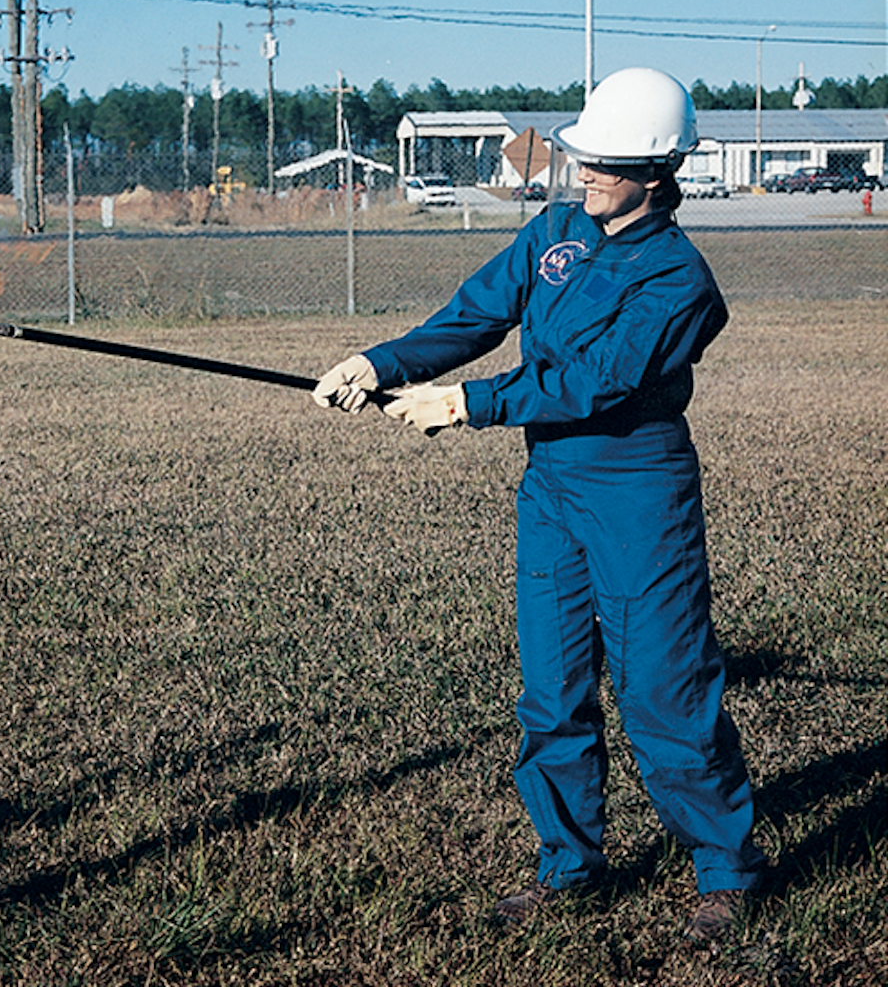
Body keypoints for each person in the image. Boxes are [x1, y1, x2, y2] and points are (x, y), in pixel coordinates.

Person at [312, 67, 766, 944]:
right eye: (582, 154)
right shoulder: (556, 231)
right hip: (551, 491)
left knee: (664, 691)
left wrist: (469, 405)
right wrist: (382, 363)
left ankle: (726, 871)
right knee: (553, 691)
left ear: (658, 170)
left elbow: (598, 383)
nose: (582, 170)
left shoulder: (680, 282)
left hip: (638, 493)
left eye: (603, 161)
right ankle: (569, 864)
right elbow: (475, 314)